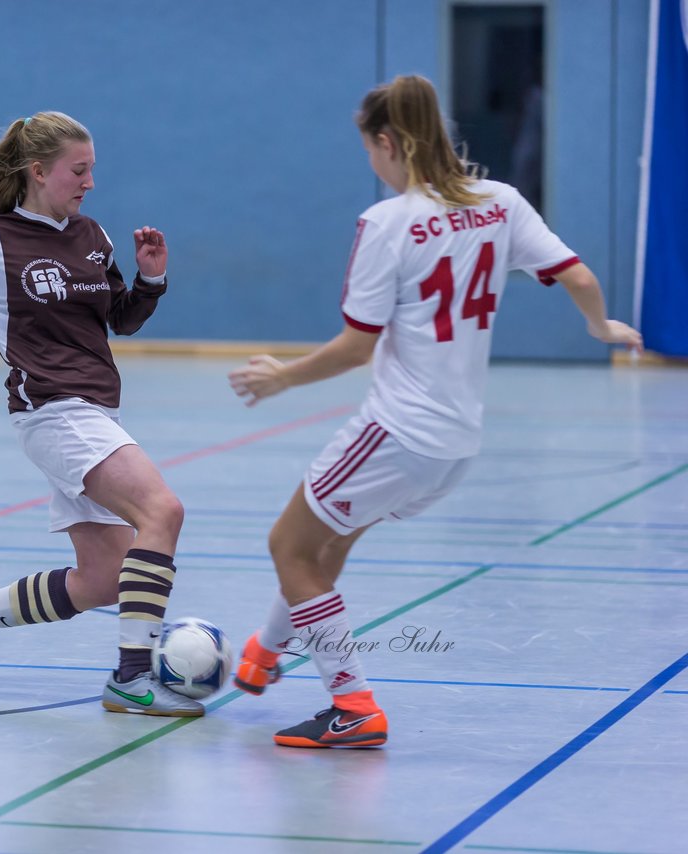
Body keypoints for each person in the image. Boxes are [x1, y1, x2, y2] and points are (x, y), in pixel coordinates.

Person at [227, 75, 642, 748]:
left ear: (387, 142)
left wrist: (283, 378)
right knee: (329, 542)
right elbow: (579, 276)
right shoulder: (499, 201)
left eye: (369, 148)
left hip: (397, 429)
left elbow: (356, 347)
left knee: (289, 545)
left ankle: (353, 704)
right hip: (456, 445)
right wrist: (600, 328)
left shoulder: (386, 223)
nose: (370, 161)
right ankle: (265, 652)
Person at [0, 111, 202, 716]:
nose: (89, 182)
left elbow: (120, 320)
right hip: (52, 410)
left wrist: (151, 281)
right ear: (38, 171)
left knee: (103, 581)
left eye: (92, 170)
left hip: (95, 411)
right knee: (162, 510)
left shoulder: (91, 235)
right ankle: (132, 677)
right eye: (78, 171)